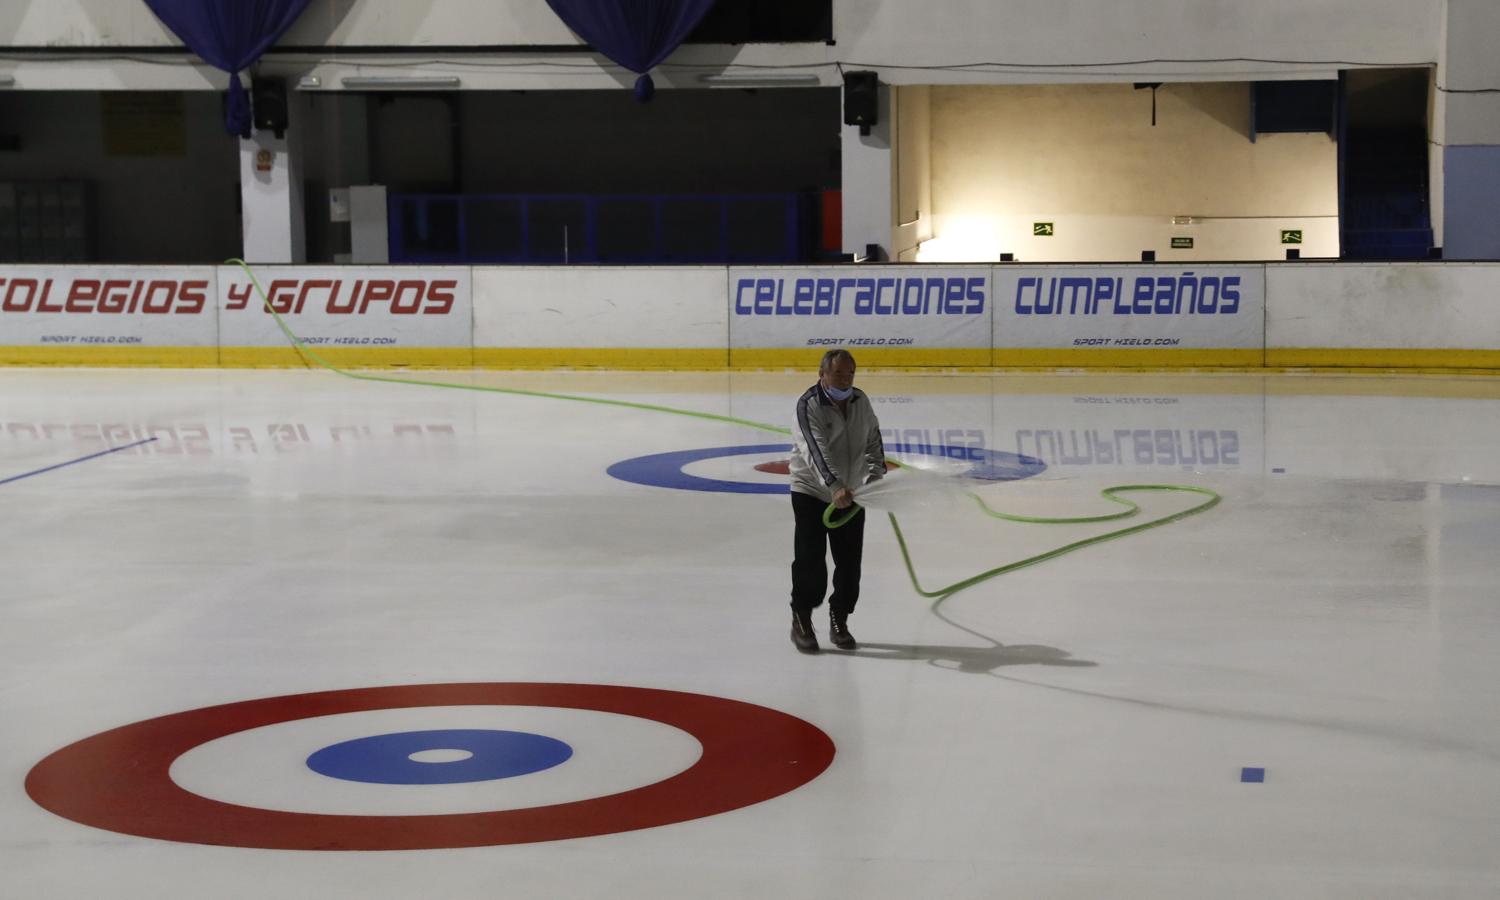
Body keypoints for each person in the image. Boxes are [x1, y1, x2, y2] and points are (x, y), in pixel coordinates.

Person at [787, 349, 885, 652]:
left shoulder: (860, 401)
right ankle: (801, 619)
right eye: (839, 373)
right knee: (810, 561)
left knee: (849, 564)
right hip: (812, 492)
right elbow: (815, 450)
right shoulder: (808, 405)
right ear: (822, 374)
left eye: (850, 373)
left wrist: (876, 473)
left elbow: (873, 438)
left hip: (852, 493)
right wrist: (833, 485)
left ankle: (839, 617)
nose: (845, 379)